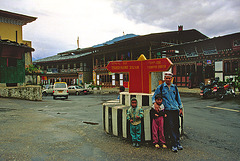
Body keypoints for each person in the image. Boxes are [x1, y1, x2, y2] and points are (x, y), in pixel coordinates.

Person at [152, 72, 183, 152]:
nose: (168, 80)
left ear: (171, 79)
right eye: (166, 78)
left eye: (169, 78)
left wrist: (180, 108)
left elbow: (178, 98)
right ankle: (174, 144)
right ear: (164, 79)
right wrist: (155, 103)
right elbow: (154, 96)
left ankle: (178, 142)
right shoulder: (161, 87)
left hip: (175, 109)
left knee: (177, 126)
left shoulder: (174, 87)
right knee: (171, 127)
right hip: (167, 110)